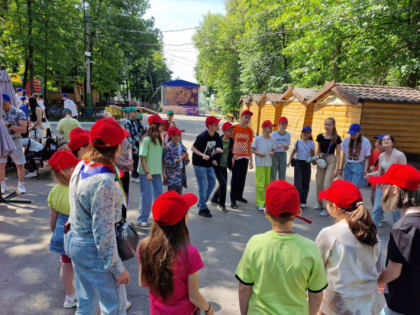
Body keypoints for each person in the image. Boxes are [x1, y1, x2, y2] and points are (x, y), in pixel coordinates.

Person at [64, 118, 131, 314]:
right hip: (92, 248)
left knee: (86, 302)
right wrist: (117, 268)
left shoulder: (83, 165)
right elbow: (103, 231)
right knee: (115, 307)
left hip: (76, 240)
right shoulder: (104, 182)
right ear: (117, 147)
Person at [236, 180, 327, 315]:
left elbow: (244, 287)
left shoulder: (255, 243)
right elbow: (316, 293)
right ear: (298, 212)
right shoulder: (310, 248)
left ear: (266, 212)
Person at [138, 191, 214, 315]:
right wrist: (209, 309)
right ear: (182, 220)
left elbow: (143, 282)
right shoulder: (190, 253)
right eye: (187, 213)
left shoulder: (143, 246)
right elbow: (194, 296)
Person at [316, 180, 384, 314]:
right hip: (367, 306)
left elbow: (316, 271)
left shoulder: (330, 234)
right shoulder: (374, 235)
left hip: (336, 306)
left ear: (334, 207)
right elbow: (377, 270)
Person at [370, 164, 420, 315]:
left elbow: (393, 272)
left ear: (395, 190)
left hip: (403, 303)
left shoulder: (403, 228)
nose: (382, 190)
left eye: (384, 186)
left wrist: (374, 282)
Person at [47, 150, 80, 309]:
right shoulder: (78, 188)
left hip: (61, 231)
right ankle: (83, 295)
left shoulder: (55, 191)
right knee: (81, 266)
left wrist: (54, 231)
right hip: (78, 232)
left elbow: (53, 216)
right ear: (67, 171)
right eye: (74, 166)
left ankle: (69, 296)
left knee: (65, 264)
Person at [368, 135, 407, 228]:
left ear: (393, 143)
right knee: (376, 209)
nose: (385, 141)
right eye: (383, 140)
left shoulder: (399, 155)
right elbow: (380, 172)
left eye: (388, 139)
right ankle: (372, 233)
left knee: (395, 213)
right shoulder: (381, 156)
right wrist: (370, 174)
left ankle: (398, 232)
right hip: (382, 186)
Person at [137, 114, 166, 227]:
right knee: (146, 196)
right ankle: (142, 219)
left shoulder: (160, 140)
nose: (163, 126)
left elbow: (161, 157)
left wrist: (163, 172)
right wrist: (147, 173)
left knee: (159, 196)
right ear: (154, 125)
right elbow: (142, 157)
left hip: (157, 172)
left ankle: (158, 218)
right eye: (161, 124)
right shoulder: (146, 140)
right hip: (146, 173)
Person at [191, 116, 223, 218]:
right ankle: (202, 208)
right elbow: (192, 148)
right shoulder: (202, 136)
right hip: (199, 163)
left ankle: (201, 202)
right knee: (203, 185)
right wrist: (202, 155)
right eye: (215, 124)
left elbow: (218, 146)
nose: (218, 126)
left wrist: (218, 149)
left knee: (212, 182)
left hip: (208, 163)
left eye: (218, 124)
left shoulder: (216, 135)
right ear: (209, 126)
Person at [1, 93, 28, 194]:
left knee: (20, 164)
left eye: (4, 103)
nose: (2, 104)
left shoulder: (18, 112)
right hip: (2, 142)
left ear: (10, 102)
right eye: (1, 102)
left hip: (15, 141)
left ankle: (21, 185)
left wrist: (9, 126)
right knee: (1, 164)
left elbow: (23, 130)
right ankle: (2, 185)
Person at [315, 117, 342, 216]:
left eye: (329, 125)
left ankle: (327, 208)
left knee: (327, 184)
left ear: (333, 126)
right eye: (326, 124)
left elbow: (338, 154)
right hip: (321, 159)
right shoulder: (320, 136)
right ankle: (320, 204)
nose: (327, 126)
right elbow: (318, 150)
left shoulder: (337, 138)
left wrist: (337, 168)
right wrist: (315, 158)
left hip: (331, 160)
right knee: (319, 183)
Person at [230, 110, 254, 209]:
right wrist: (231, 156)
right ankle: (233, 200)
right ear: (241, 117)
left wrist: (251, 161)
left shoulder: (250, 131)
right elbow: (230, 142)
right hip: (236, 157)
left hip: (245, 157)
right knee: (235, 179)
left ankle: (239, 196)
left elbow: (250, 145)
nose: (247, 120)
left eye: (249, 118)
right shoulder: (235, 128)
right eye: (246, 117)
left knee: (242, 178)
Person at [252, 120, 276, 211]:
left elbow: (273, 150)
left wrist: (272, 152)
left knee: (267, 183)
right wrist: (259, 154)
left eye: (271, 127)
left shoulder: (273, 139)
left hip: (268, 163)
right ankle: (260, 203)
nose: (271, 129)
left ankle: (266, 202)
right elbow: (253, 150)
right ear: (264, 128)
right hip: (260, 164)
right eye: (269, 127)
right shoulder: (258, 139)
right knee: (260, 184)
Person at [288, 126, 315, 208]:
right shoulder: (298, 142)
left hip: (307, 163)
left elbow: (313, 154)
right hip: (298, 163)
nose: (305, 134)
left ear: (310, 134)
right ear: (301, 133)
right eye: (304, 132)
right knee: (298, 183)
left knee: (305, 183)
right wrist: (289, 161)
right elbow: (293, 152)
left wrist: (313, 158)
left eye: (307, 132)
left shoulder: (312, 143)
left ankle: (303, 200)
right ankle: (296, 199)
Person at [211, 121, 234, 213]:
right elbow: (211, 150)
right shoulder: (218, 140)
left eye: (232, 130)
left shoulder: (231, 140)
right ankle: (221, 205)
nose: (231, 132)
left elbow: (230, 152)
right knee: (223, 184)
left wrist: (232, 158)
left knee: (223, 183)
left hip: (224, 165)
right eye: (229, 131)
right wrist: (213, 159)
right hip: (217, 165)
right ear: (224, 131)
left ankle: (213, 199)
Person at [339, 123, 371, 187]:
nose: (352, 135)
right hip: (348, 165)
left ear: (359, 132)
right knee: (346, 186)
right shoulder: (346, 141)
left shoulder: (366, 142)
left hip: (359, 165)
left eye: (354, 134)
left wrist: (365, 171)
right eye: (351, 133)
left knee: (355, 187)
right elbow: (344, 156)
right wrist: (341, 168)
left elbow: (367, 158)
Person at [163, 127, 188, 194]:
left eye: (180, 134)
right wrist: (178, 159)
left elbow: (185, 161)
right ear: (172, 136)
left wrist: (186, 158)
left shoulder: (181, 145)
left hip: (180, 174)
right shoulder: (168, 147)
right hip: (172, 176)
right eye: (178, 135)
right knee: (172, 195)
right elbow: (167, 162)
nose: (180, 136)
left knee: (179, 194)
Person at [124, 107, 146, 183]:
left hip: (139, 142)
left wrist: (140, 121)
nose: (135, 114)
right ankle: (134, 176)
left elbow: (143, 129)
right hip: (133, 144)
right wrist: (133, 148)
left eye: (136, 112)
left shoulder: (136, 121)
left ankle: (136, 174)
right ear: (130, 113)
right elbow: (128, 136)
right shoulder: (128, 122)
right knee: (135, 160)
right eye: (133, 112)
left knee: (138, 159)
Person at [270, 116, 290, 181]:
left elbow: (287, 149)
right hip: (275, 154)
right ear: (279, 125)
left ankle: (281, 188)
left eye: (285, 124)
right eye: (282, 124)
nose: (284, 126)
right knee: (273, 172)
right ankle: (272, 188)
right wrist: (275, 146)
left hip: (283, 154)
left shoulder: (288, 135)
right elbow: (271, 147)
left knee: (282, 172)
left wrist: (286, 146)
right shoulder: (274, 134)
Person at [369, 134, 385, 207]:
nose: (376, 144)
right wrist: (371, 167)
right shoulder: (375, 151)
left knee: (380, 202)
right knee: (372, 199)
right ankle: (377, 216)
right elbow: (372, 162)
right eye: (376, 142)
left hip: (383, 182)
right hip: (375, 181)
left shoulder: (388, 154)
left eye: (378, 143)